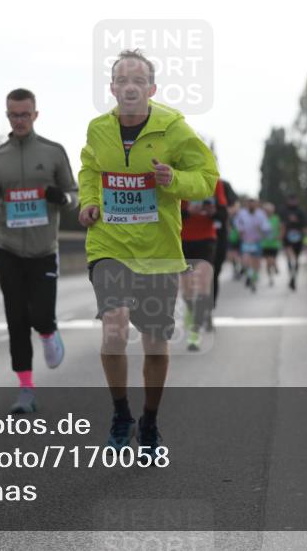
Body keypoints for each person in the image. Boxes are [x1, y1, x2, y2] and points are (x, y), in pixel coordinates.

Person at [78, 49, 218, 456]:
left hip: (157, 250)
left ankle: (150, 421)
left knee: (156, 342)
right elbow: (89, 170)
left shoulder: (174, 129)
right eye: (122, 80)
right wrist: (87, 202)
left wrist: (173, 178)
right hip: (109, 244)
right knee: (115, 326)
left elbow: (206, 179)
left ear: (151, 89)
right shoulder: (98, 130)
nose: (130, 86)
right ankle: (121, 413)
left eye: (138, 80)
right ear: (113, 88)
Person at [0, 88, 77, 414]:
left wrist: (63, 199)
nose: (20, 120)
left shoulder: (53, 152)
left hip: (43, 249)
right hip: (9, 248)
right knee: (16, 320)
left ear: (35, 115)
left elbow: (73, 193)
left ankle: (49, 331)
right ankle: (26, 390)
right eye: (14, 115)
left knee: (40, 315)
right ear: (7, 116)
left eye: (25, 114)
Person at [179, 180, 228, 349]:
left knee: (202, 285)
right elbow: (168, 213)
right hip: (182, 241)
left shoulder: (215, 183)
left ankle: (194, 333)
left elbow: (223, 214)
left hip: (207, 240)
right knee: (187, 291)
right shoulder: (179, 178)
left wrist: (212, 212)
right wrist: (187, 211)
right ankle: (194, 313)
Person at [210, 178, 238, 329]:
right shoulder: (189, 179)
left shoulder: (223, 185)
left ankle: (209, 308)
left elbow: (235, 205)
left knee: (214, 272)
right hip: (194, 236)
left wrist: (221, 211)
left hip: (219, 234)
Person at [232, 197, 271, 293]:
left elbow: (266, 227)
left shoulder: (261, 214)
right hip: (246, 241)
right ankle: (249, 276)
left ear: (256, 204)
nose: (251, 205)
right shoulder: (242, 213)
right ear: (247, 204)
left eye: (253, 203)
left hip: (256, 241)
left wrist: (261, 229)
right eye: (249, 203)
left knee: (256, 261)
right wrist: (240, 230)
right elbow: (237, 223)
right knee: (245, 259)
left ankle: (254, 277)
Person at [279, 193, 307, 291]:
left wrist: (305, 237)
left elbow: (305, 226)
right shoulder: (284, 211)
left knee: (296, 259)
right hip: (287, 238)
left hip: (298, 239)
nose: (292, 202)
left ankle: (293, 277)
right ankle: (291, 275)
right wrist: (281, 236)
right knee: (289, 257)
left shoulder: (301, 211)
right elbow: (281, 224)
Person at [260, 202, 282, 287]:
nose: (268, 212)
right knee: (268, 263)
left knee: (271, 260)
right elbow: (259, 229)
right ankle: (270, 278)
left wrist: (279, 236)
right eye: (266, 210)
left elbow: (280, 228)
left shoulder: (276, 218)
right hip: (265, 244)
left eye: (269, 210)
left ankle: (275, 265)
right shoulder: (262, 219)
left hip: (274, 244)